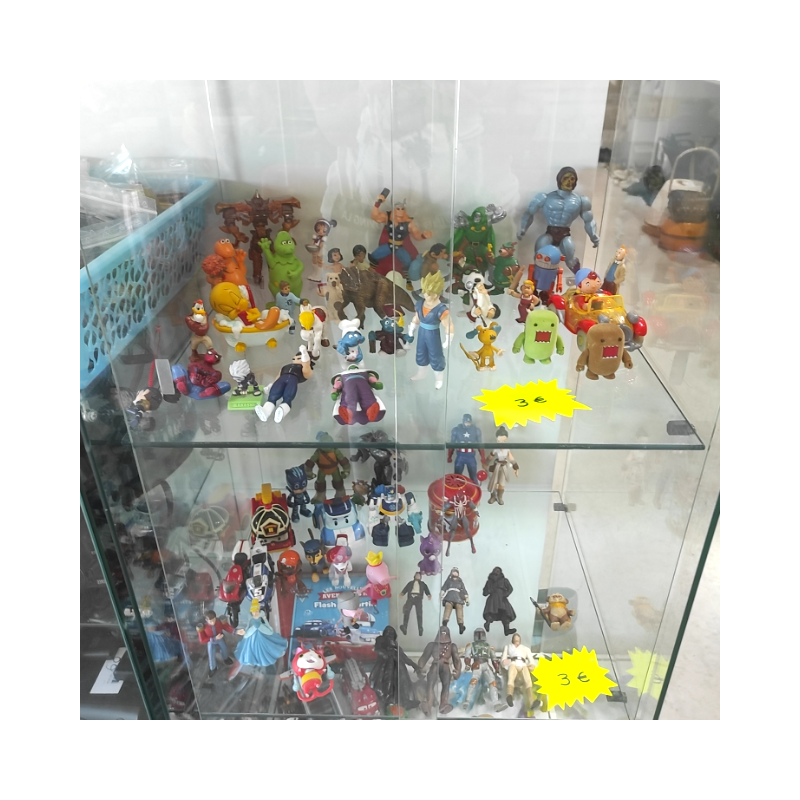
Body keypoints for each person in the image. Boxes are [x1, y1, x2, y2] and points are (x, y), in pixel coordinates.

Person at [408, 271, 453, 389]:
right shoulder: (420, 304)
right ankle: (421, 373)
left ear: (436, 294)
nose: (426, 295)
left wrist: (448, 339)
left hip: (433, 334)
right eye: (424, 292)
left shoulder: (440, 308)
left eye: (429, 293)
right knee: (420, 352)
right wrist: (411, 328)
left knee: (435, 354)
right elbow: (416, 318)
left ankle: (439, 378)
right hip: (422, 332)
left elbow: (448, 324)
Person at [255, 346, 313, 423]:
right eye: (294, 359)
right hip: (281, 379)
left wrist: (304, 353)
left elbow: (306, 365)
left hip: (293, 380)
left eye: (299, 358)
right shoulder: (285, 367)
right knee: (273, 395)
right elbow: (278, 376)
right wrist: (271, 385)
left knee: (288, 397)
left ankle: (282, 412)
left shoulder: (305, 369)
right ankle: (265, 412)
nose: (295, 360)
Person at [233, 599, 288, 670]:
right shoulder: (250, 616)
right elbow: (248, 625)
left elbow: (266, 622)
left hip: (262, 629)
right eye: (253, 612)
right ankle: (252, 658)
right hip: (252, 631)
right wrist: (245, 631)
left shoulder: (261, 613)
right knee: (250, 645)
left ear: (258, 610)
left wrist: (269, 628)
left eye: (256, 611)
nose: (255, 613)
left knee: (267, 642)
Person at [501, 633, 537, 711]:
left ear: (520, 640)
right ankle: (509, 695)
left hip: (523, 664)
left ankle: (532, 701)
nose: (516, 640)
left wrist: (532, 665)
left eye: (518, 639)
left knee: (528, 681)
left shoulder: (526, 648)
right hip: (513, 663)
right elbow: (503, 657)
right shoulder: (508, 646)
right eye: (515, 639)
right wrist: (504, 662)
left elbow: (531, 659)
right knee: (511, 678)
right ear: (512, 640)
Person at [486, 427, 519, 505]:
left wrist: (515, 467)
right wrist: (486, 463)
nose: (501, 443)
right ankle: (493, 496)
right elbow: (490, 456)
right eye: (499, 441)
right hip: (496, 466)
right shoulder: (496, 449)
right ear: (497, 440)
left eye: (503, 441)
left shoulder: (507, 449)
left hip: (503, 467)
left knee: (501, 483)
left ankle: (500, 497)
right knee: (494, 482)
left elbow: (511, 458)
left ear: (506, 439)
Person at [196, 610, 234, 675]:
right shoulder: (204, 627)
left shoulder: (219, 622)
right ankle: (213, 668)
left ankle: (225, 658)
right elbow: (202, 640)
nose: (213, 622)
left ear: (215, 618)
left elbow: (227, 627)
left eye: (214, 619)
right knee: (211, 655)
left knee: (224, 649)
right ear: (206, 620)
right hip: (211, 641)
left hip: (220, 638)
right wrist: (214, 638)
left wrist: (235, 631)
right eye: (210, 621)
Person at [399, 571, 431, 636]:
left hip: (418, 598)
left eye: (419, 576)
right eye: (417, 575)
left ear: (421, 577)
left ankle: (420, 628)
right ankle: (405, 627)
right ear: (414, 576)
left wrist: (428, 594)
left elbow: (426, 589)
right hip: (411, 597)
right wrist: (402, 593)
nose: (418, 576)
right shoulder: (410, 583)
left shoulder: (422, 584)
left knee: (419, 613)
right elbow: (406, 589)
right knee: (406, 611)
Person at [440, 567, 469, 635]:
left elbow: (464, 590)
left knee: (460, 612)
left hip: (458, 598)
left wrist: (466, 598)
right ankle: (445, 623)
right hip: (449, 597)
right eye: (454, 572)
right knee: (447, 610)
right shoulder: (448, 581)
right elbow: (444, 587)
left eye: (456, 572)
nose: (455, 573)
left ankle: (461, 626)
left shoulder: (460, 582)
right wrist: (441, 594)